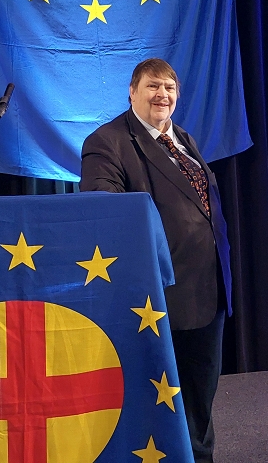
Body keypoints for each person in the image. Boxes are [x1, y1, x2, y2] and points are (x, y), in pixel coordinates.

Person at [80, 58, 232, 463]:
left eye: (169, 87)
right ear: (132, 92)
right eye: (152, 86)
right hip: (157, 297)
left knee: (199, 400)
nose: (162, 94)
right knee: (157, 406)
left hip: (208, 290)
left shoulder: (183, 138)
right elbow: (104, 212)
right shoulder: (107, 141)